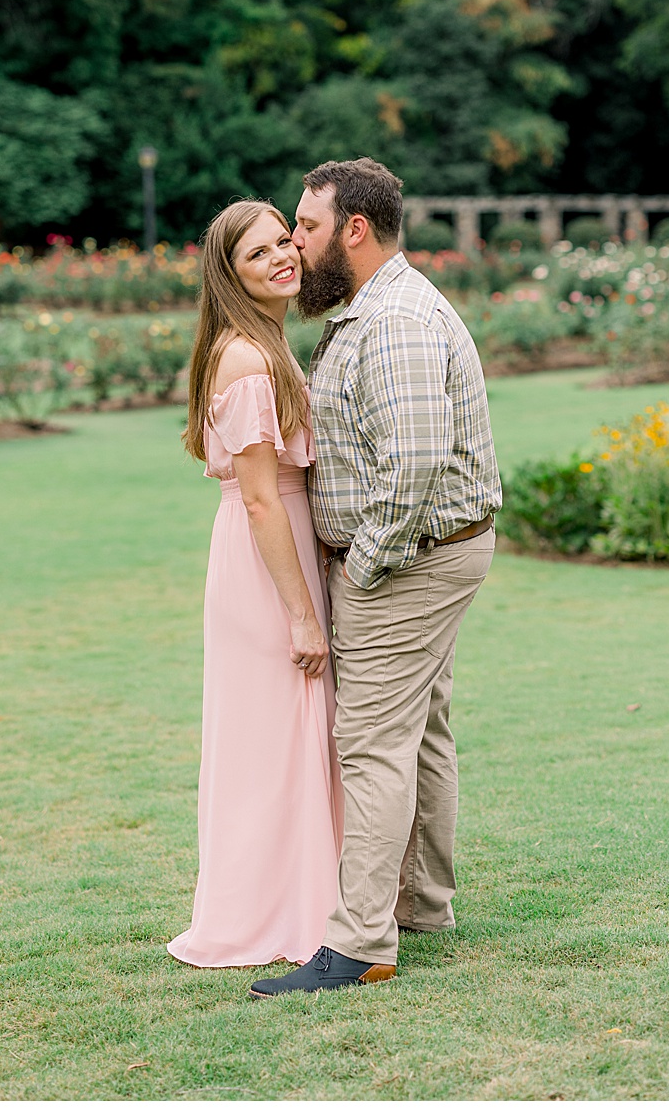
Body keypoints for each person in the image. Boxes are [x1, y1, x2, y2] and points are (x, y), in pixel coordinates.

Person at [249, 157, 502, 998]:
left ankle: (361, 942)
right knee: (422, 730)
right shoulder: (373, 307)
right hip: (426, 552)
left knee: (370, 743)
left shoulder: (394, 320)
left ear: (353, 230)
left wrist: (361, 564)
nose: (295, 241)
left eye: (308, 227)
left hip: (408, 560)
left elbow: (419, 460)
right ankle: (420, 904)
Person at [168, 199, 344, 969]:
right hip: (266, 561)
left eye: (285, 241)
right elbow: (265, 496)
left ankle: (312, 898)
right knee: (276, 739)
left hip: (281, 548)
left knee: (292, 738)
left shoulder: (268, 345)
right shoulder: (245, 359)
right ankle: (277, 914)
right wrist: (303, 615)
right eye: (257, 254)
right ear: (229, 275)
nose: (282, 257)